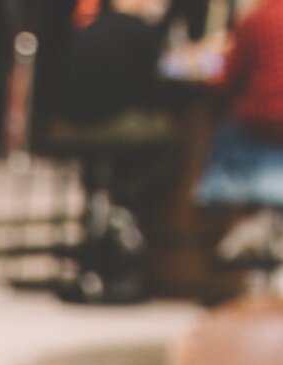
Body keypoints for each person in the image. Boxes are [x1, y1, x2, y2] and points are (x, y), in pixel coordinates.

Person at [49, 0, 177, 300]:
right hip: (111, 125)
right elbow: (151, 90)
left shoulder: (91, 26)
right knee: (169, 140)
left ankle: (100, 199)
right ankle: (124, 202)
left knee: (114, 151)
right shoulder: (142, 33)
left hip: (71, 127)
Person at [197, 0, 283, 262]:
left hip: (260, 120)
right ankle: (276, 224)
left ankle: (232, 220)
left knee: (222, 136)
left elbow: (229, 79)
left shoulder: (253, 21)